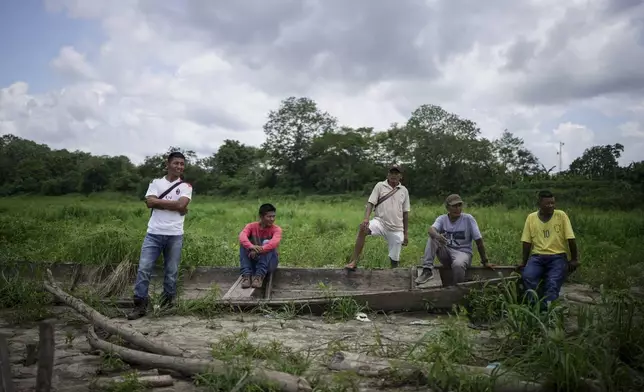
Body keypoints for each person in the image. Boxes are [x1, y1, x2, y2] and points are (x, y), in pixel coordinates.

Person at [127, 151, 193, 320]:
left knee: (171, 271)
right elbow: (150, 202)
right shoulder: (156, 183)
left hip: (175, 235)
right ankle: (140, 304)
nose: (179, 166)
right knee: (144, 269)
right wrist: (176, 206)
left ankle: (167, 302)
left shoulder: (186, 186)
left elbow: (179, 204)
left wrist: (160, 203)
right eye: (176, 163)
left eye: (182, 164)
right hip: (154, 234)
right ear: (168, 164)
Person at [415, 194, 491, 286]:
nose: (457, 208)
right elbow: (431, 229)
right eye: (454, 206)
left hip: (463, 253)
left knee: (458, 265)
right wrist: (438, 236)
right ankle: (427, 270)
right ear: (448, 208)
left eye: (459, 205)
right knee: (433, 237)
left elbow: (478, 240)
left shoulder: (468, 219)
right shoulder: (442, 219)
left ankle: (456, 288)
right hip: (447, 253)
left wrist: (485, 261)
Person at [344, 165, 410, 271]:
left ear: (400, 176)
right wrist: (366, 219)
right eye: (391, 173)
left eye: (396, 173)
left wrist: (406, 233)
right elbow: (371, 203)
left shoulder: (404, 191)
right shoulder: (380, 185)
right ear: (387, 175)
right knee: (363, 228)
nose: (393, 176)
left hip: (397, 228)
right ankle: (354, 261)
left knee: (395, 258)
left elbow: (405, 213)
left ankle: (394, 272)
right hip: (380, 222)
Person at [520, 190, 579, 306]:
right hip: (537, 257)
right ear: (540, 203)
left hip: (557, 257)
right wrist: (524, 262)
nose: (551, 206)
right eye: (548, 203)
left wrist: (574, 259)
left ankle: (547, 310)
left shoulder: (561, 215)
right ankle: (534, 306)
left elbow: (571, 239)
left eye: (553, 203)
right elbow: (526, 242)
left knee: (552, 282)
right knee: (527, 276)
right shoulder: (531, 218)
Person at [238, 203, 282, 289]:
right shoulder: (251, 226)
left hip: (270, 263)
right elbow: (242, 236)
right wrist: (251, 246)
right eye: (269, 217)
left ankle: (259, 277)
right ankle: (246, 276)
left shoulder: (276, 229)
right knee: (244, 244)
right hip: (255, 262)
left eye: (273, 216)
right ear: (261, 216)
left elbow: (273, 243)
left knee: (267, 243)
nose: (272, 219)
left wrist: (259, 250)